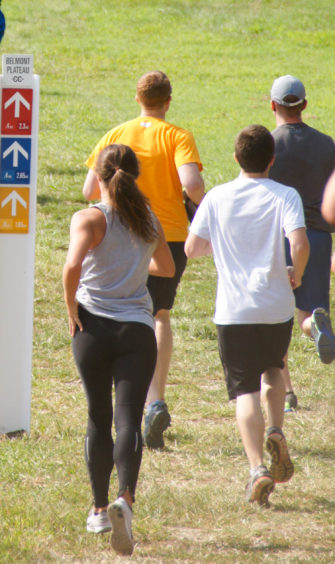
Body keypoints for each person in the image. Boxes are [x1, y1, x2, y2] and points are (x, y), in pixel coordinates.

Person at [185, 125, 308, 505]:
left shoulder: (218, 197)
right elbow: (299, 243)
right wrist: (296, 274)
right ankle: (276, 429)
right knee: (274, 368)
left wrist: (220, 248)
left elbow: (192, 248)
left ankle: (257, 467)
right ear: (272, 159)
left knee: (244, 390)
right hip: (275, 306)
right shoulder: (286, 195)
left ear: (236, 158)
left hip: (234, 310)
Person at [83, 71, 205, 450]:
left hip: (118, 231)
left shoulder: (115, 134)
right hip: (166, 234)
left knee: (122, 309)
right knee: (159, 315)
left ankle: (124, 400)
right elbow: (193, 185)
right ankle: (155, 399)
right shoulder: (178, 136)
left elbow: (88, 189)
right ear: (168, 101)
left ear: (137, 99)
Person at [63, 144, 174, 555]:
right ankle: (124, 499)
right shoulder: (148, 220)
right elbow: (166, 267)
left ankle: (96, 508)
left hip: (92, 328)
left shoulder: (89, 218)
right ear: (134, 176)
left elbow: (72, 265)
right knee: (129, 417)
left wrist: (72, 310)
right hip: (137, 331)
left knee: (98, 416)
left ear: (99, 176)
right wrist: (132, 264)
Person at [268, 75, 335, 388]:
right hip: (319, 238)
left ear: (273, 105)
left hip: (279, 238)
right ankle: (315, 328)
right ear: (305, 105)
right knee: (308, 312)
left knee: (274, 317)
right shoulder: (327, 144)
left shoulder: (267, 144)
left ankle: (287, 391)